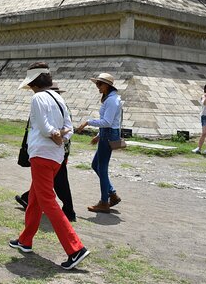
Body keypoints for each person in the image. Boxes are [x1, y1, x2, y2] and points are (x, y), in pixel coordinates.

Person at [9, 63, 89, 270]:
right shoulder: (59, 98)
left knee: (47, 202)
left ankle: (75, 248)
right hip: (56, 156)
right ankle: (25, 240)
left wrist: (54, 135)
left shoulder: (37, 98)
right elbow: (69, 129)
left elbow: (44, 128)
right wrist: (59, 137)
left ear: (33, 83)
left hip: (42, 155)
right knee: (35, 199)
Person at [15, 83, 76, 222]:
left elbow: (44, 129)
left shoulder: (50, 107)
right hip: (59, 150)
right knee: (49, 181)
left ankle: (68, 211)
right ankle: (27, 200)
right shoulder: (61, 107)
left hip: (50, 151)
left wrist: (57, 136)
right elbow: (67, 129)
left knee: (57, 183)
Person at [77, 73, 123, 214]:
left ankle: (104, 202)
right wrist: (99, 135)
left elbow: (108, 122)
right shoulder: (112, 99)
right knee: (96, 165)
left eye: (99, 84)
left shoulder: (111, 101)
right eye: (97, 84)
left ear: (107, 85)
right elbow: (113, 122)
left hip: (108, 134)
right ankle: (112, 194)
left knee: (102, 168)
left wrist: (88, 122)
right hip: (107, 134)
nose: (98, 87)